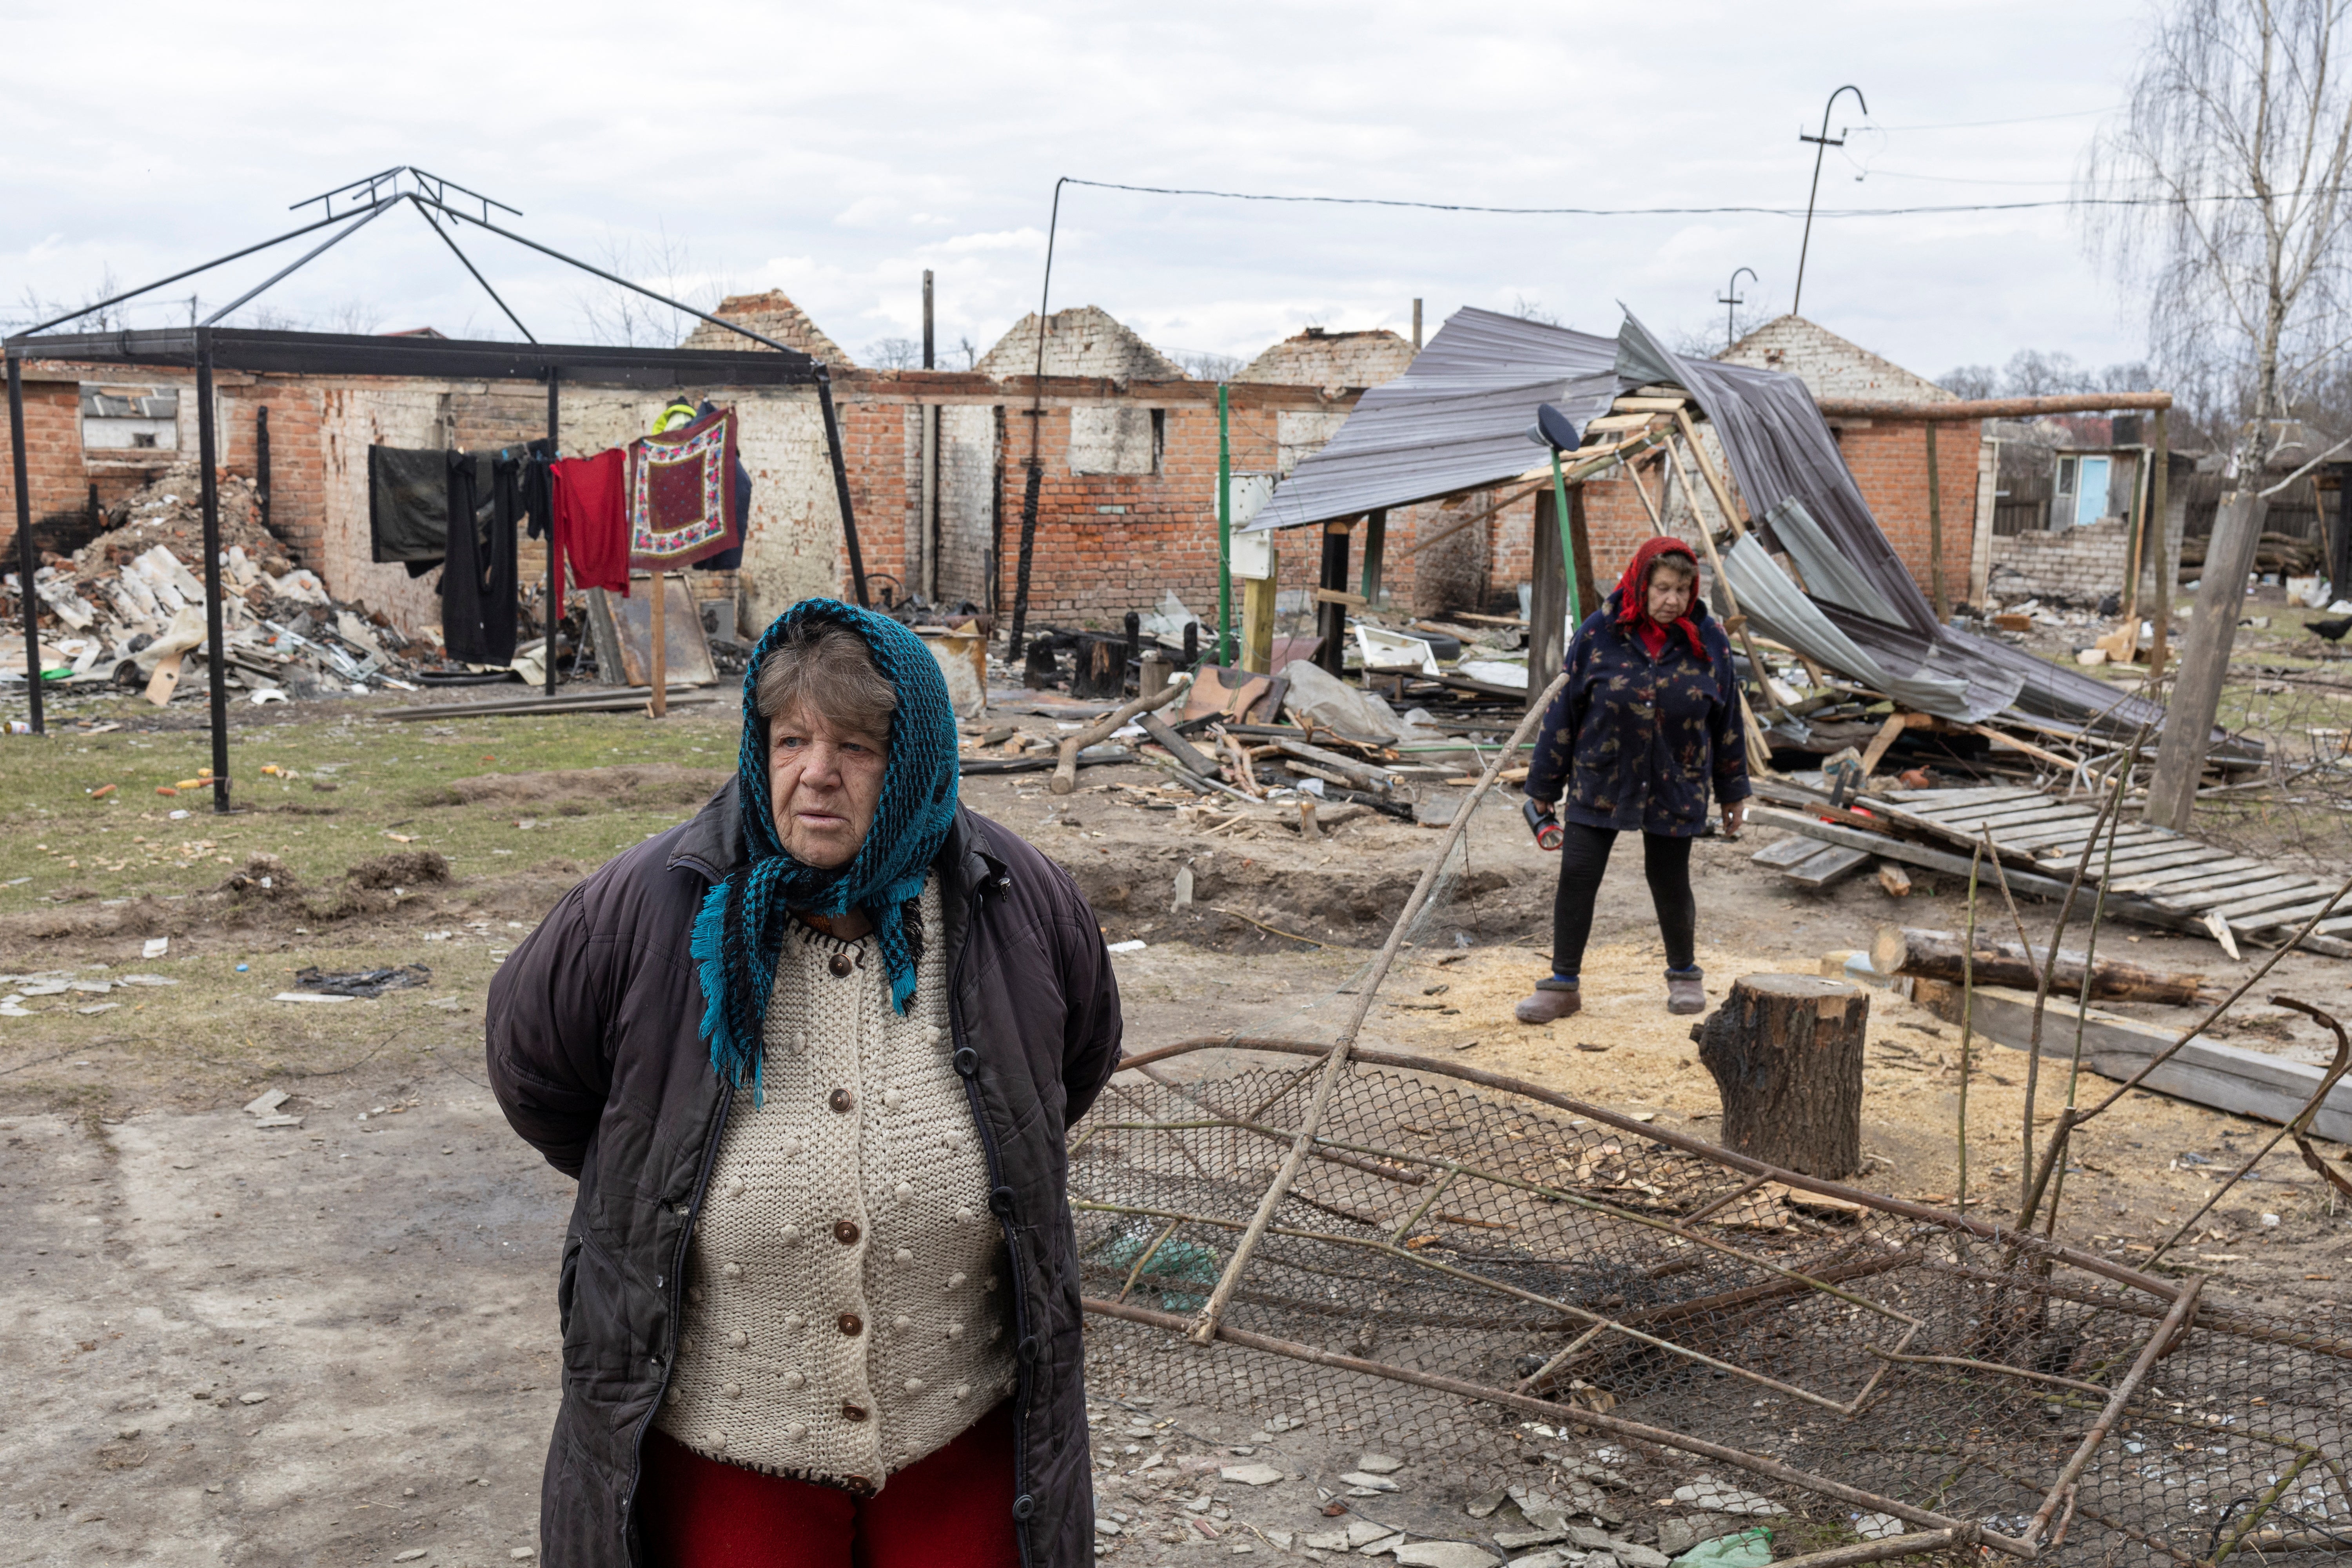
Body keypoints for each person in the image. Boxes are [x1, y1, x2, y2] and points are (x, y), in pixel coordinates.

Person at [487, 599, 1122, 1568]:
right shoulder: (647, 904)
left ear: (912, 762)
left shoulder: (1015, 900)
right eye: (791, 739)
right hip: (731, 1435)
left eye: (857, 747)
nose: (814, 774)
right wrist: (666, 1176)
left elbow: (1064, 1074)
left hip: (959, 1426)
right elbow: (537, 1071)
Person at [1514, 537, 1751, 1024]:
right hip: (1601, 773)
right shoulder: (1599, 632)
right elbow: (1564, 714)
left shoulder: (1710, 641)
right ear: (1640, 584)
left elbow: (1727, 720)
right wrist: (1542, 787)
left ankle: (1684, 973)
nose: (1673, 601)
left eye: (1683, 590)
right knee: (1578, 875)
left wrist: (1733, 792)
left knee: (1669, 877)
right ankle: (1562, 984)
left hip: (1676, 777)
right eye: (1662, 588)